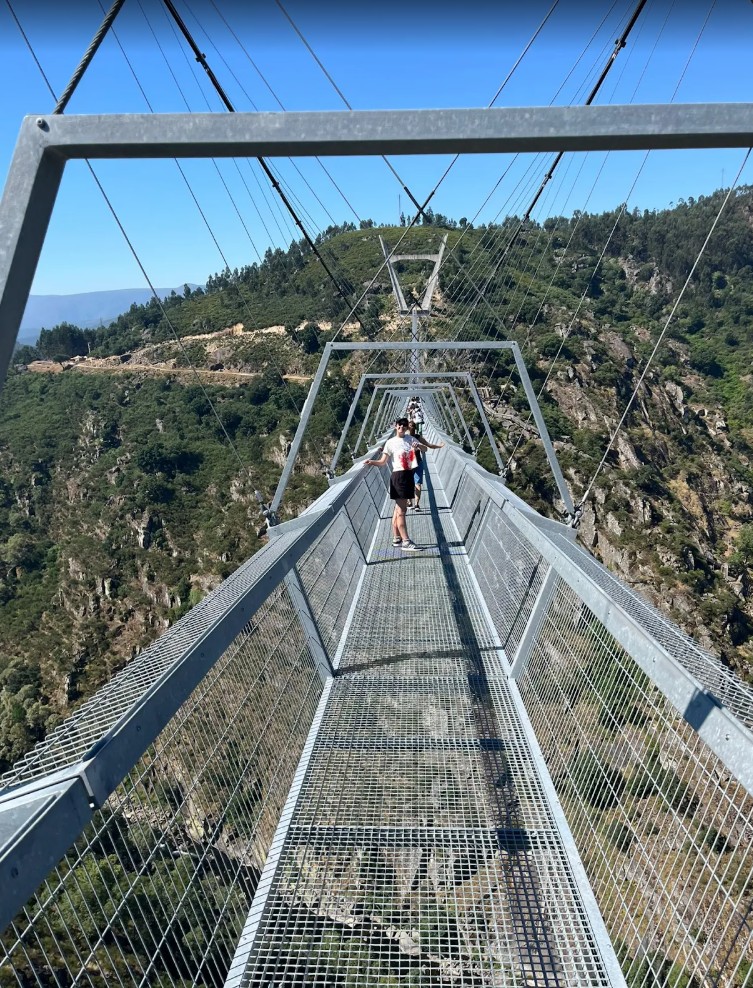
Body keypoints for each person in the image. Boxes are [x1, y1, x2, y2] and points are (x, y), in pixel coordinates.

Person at [406, 421, 442, 512]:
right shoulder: (415, 437)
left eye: (411, 427)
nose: (411, 428)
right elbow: (429, 446)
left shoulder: (407, 438)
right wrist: (439, 446)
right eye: (411, 427)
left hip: (412, 463)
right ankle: (415, 504)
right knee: (415, 484)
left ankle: (412, 503)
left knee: (412, 484)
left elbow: (427, 446)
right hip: (415, 463)